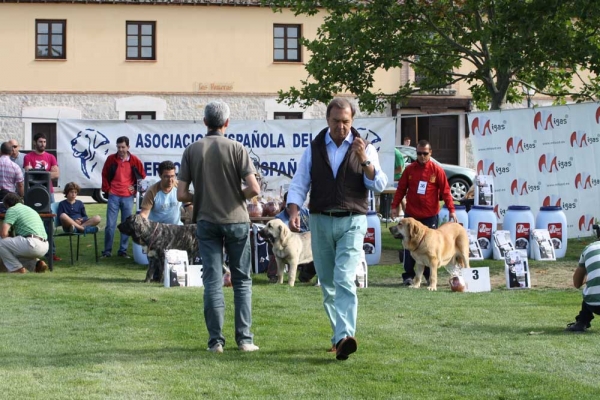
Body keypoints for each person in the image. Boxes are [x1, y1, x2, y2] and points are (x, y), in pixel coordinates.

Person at [287, 98, 388, 361]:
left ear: (352, 121)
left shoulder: (365, 148)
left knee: (344, 278)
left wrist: (364, 159)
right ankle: (338, 337)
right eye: (336, 121)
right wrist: (294, 208)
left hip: (353, 221)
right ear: (327, 120)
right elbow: (300, 182)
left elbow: (379, 184)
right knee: (328, 284)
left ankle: (345, 336)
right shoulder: (314, 148)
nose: (341, 126)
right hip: (320, 220)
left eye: (346, 121)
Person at [178, 100, 261, 354]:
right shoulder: (237, 148)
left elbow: (182, 194)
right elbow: (254, 189)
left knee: (212, 282)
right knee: (242, 281)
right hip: (236, 220)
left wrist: (202, 194)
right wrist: (236, 195)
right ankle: (245, 340)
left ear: (205, 122)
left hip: (206, 220)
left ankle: (215, 342)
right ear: (226, 123)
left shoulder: (192, 150)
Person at [391, 140, 456, 286]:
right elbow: (401, 189)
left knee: (430, 248)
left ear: (430, 153)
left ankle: (428, 277)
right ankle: (408, 276)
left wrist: (452, 210)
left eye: (425, 154)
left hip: (429, 215)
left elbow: (446, 192)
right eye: (419, 153)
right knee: (408, 245)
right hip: (412, 215)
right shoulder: (409, 170)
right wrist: (394, 206)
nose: (421, 156)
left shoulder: (437, 170)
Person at [140, 160, 191, 281]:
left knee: (176, 274)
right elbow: (144, 215)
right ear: (160, 176)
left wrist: (198, 221)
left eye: (173, 176)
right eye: (166, 177)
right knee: (158, 275)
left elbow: (189, 207)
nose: (170, 180)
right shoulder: (152, 191)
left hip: (176, 232)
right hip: (157, 235)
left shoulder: (179, 187)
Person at [101, 136, 146, 258]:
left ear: (128, 147)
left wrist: (135, 188)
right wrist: (107, 189)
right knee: (110, 225)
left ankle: (123, 251)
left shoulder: (135, 160)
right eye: (118, 147)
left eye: (123, 147)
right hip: (113, 196)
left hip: (128, 197)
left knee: (126, 225)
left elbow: (142, 177)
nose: (120, 149)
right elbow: (104, 174)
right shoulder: (111, 159)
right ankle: (107, 251)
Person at [23, 133, 61, 261]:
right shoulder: (28, 157)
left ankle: (51, 251)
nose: (43, 144)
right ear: (35, 142)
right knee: (32, 221)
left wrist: (40, 173)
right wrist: (46, 173)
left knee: (49, 222)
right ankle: (33, 251)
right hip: (33, 194)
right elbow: (28, 173)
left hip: (48, 192)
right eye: (40, 141)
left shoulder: (51, 157)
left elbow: (57, 174)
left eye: (44, 142)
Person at [266, 191, 315, 283]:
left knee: (316, 248)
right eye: (290, 204)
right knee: (274, 247)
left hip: (305, 243)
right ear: (284, 204)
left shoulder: (306, 213)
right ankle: (274, 276)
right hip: (286, 245)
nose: (294, 207)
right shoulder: (279, 219)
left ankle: (305, 276)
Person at [0, 193, 48, 274]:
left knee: (1, 243)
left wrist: (8, 236)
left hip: (32, 243)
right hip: (45, 245)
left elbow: (3, 234)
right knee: (12, 250)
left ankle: (17, 269)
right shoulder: (30, 209)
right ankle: (37, 264)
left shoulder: (12, 210)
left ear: (7, 204)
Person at [565, 241, 600, 332]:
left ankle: (582, 322)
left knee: (589, 289)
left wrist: (591, 277)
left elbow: (577, 283)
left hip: (594, 305)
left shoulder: (589, 248)